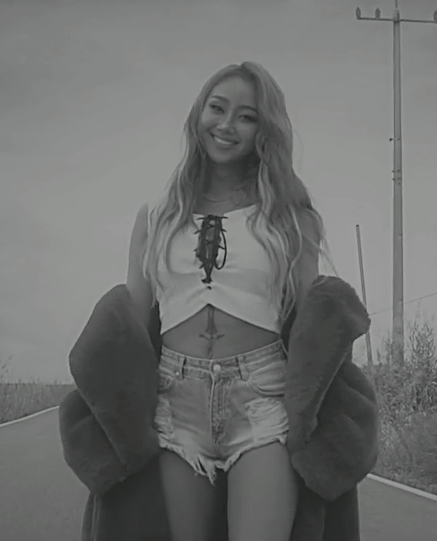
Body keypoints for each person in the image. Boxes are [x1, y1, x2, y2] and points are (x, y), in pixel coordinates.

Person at [125, 61, 331, 541]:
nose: (226, 125)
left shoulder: (290, 216)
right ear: (198, 114)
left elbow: (311, 324)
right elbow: (133, 326)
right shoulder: (156, 217)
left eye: (247, 116)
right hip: (176, 401)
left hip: (261, 397)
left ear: (265, 129)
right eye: (217, 108)